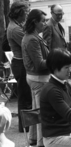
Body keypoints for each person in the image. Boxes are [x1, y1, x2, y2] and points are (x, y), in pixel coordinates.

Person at [22, 9, 50, 147]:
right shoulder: (32, 39)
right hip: (38, 79)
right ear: (35, 22)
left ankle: (33, 138)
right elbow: (39, 64)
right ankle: (41, 143)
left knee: (36, 111)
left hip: (35, 78)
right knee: (41, 113)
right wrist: (56, 60)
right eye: (43, 21)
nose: (45, 23)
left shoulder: (33, 36)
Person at [7, 1, 32, 133]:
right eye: (26, 12)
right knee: (24, 96)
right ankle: (25, 126)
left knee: (25, 95)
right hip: (20, 64)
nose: (27, 14)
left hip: (20, 63)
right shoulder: (15, 29)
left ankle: (26, 125)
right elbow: (28, 43)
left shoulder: (16, 25)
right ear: (19, 12)